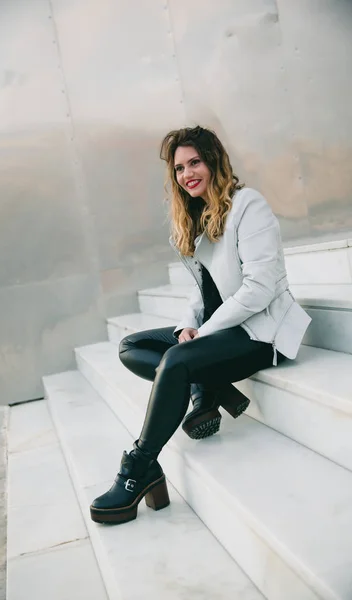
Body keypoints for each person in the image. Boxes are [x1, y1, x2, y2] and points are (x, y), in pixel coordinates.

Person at [90, 126, 311, 525]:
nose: (187, 173)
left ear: (213, 162)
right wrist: (185, 328)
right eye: (178, 168)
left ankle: (139, 468)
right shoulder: (193, 217)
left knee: (175, 362)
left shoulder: (248, 205)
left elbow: (259, 290)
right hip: (220, 330)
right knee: (131, 347)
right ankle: (207, 387)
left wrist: (200, 336)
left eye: (195, 162)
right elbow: (202, 290)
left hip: (258, 333)